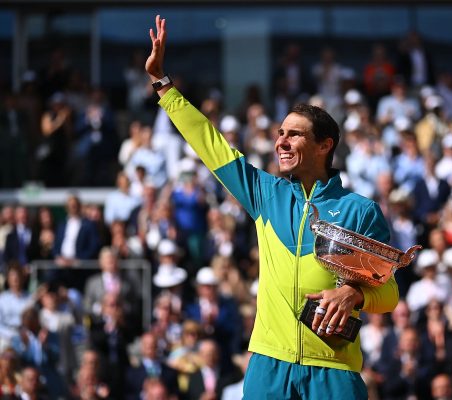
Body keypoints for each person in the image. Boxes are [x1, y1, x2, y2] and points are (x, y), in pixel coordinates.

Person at [146, 15, 399, 398]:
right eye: (279, 133)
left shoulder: (360, 210)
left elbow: (390, 294)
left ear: (324, 145)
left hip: (333, 370)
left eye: (293, 134)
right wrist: (164, 86)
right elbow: (210, 145)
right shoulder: (266, 194)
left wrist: (356, 295)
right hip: (268, 363)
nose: (280, 141)